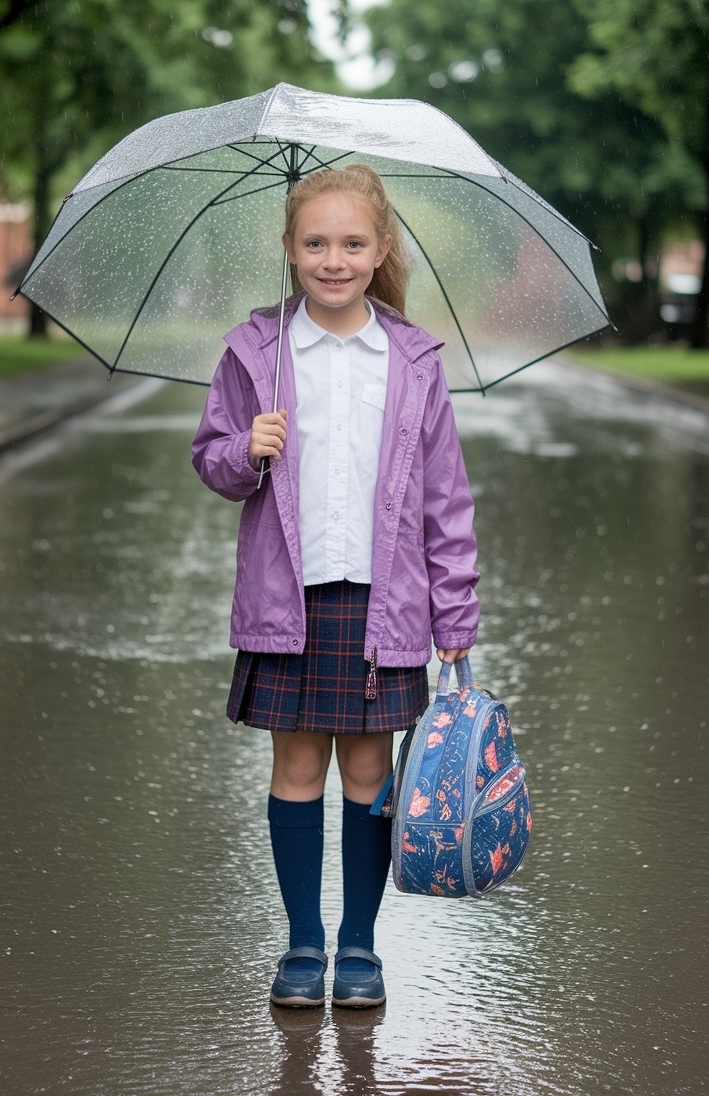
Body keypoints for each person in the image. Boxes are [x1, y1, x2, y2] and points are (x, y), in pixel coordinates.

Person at [192, 164, 479, 1009]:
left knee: (368, 771)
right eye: (315, 243)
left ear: (380, 249)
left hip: (383, 601)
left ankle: (358, 944)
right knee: (296, 766)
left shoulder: (412, 360)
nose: (334, 259)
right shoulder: (256, 352)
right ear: (290, 248)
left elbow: (445, 496)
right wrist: (245, 449)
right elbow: (211, 460)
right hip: (290, 596)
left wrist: (455, 612)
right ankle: (302, 942)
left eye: (353, 243)